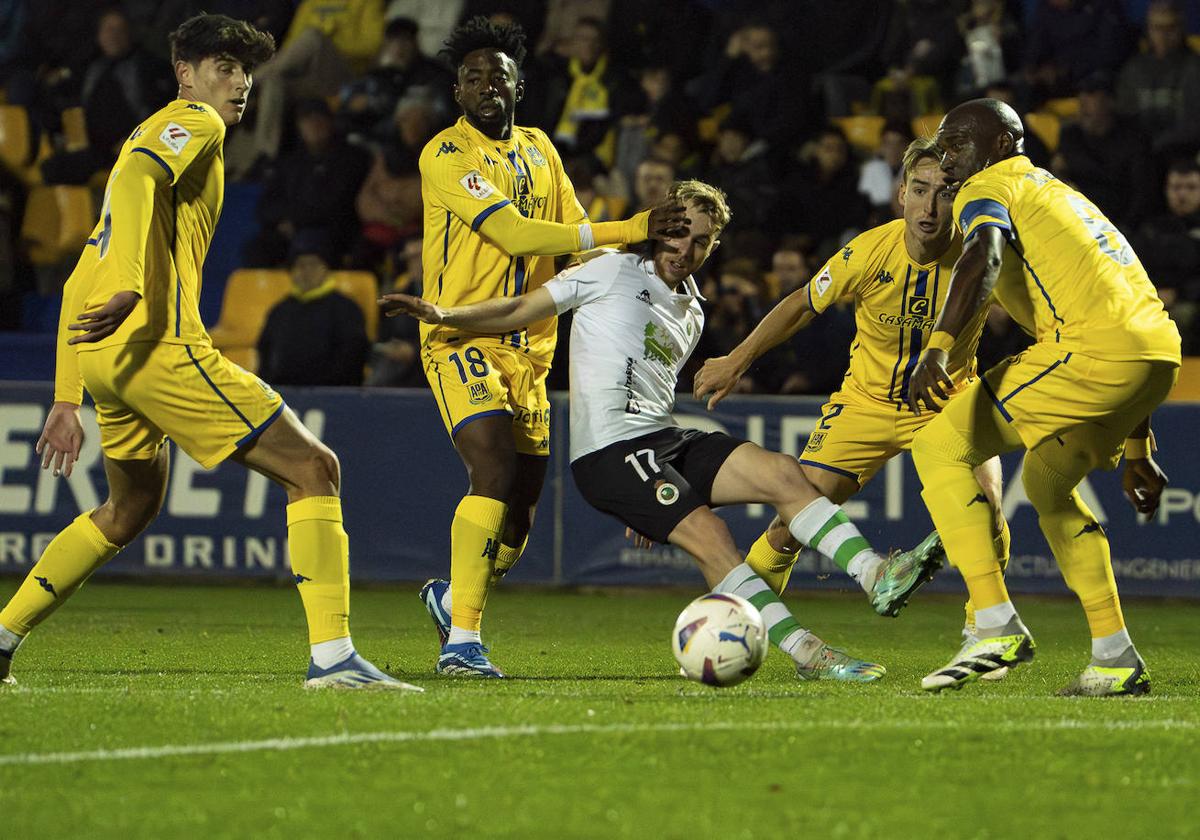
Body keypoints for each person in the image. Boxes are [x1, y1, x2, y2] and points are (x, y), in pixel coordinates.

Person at [0, 14, 418, 692]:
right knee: (314, 468)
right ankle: (335, 658)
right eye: (224, 67)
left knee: (127, 510)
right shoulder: (193, 124)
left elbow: (80, 275)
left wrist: (67, 395)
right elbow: (136, 179)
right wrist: (137, 286)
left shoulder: (154, 134)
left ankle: (2, 636)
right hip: (159, 344)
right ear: (185, 75)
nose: (241, 83)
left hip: (109, 359)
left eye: (246, 71)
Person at [384, 180, 948, 682]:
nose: (684, 249)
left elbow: (653, 392)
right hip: (608, 450)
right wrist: (443, 316)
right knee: (712, 538)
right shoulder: (610, 268)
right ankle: (808, 653)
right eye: (677, 233)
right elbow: (520, 308)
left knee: (784, 472)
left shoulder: (694, 311)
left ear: (713, 247)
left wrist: (654, 499)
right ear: (659, 228)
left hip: (660, 440)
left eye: (700, 240)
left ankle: (875, 573)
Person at [410, 17, 687, 678]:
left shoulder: (539, 149)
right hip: (463, 332)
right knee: (494, 470)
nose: (486, 87)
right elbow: (514, 234)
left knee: (518, 521)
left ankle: (453, 598)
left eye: (497, 77)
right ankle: (464, 644)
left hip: (532, 346)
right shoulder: (446, 155)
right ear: (457, 90)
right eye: (473, 77)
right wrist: (634, 225)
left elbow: (567, 234)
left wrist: (637, 262)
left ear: (519, 86)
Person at [695, 138, 1018, 657]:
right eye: (919, 190)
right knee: (790, 525)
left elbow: (1047, 314)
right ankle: (735, 625)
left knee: (987, 510)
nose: (930, 207)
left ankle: (985, 634)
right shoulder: (869, 251)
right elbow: (801, 304)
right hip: (864, 405)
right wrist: (738, 359)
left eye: (944, 193)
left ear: (962, 199)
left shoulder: (983, 254)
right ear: (900, 196)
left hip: (950, 404)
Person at [907, 98, 1181, 695]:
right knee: (1047, 482)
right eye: (943, 144)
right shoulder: (1066, 198)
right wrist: (1137, 446)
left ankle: (993, 622)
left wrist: (938, 347)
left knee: (938, 445)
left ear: (1002, 143)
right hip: (1155, 353)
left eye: (957, 143)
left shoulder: (993, 184)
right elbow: (1127, 314)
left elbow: (983, 254)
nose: (948, 157)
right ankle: (1115, 657)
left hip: (1091, 350)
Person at [257, 230, 371, 386]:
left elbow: (353, 358)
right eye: (300, 265)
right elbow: (265, 355)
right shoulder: (279, 311)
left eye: (314, 264)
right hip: (283, 396)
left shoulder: (346, 309)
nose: (306, 272)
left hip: (334, 395)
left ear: (326, 268)